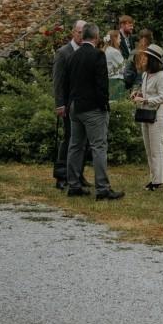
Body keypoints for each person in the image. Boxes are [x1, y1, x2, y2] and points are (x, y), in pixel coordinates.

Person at [65, 23, 123, 200]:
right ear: (96, 37)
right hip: (92, 108)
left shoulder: (73, 56)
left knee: (75, 146)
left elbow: (67, 83)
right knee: (99, 147)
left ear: (83, 36)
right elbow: (102, 85)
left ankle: (73, 185)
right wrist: (104, 105)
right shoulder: (98, 55)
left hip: (75, 106)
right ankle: (103, 188)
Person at [52, 20, 89, 190]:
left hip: (83, 104)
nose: (82, 35)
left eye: (85, 32)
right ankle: (61, 175)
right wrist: (60, 104)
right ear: (73, 32)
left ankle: (77, 174)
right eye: (79, 32)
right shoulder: (63, 52)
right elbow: (58, 82)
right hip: (68, 104)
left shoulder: (87, 51)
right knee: (68, 139)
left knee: (82, 142)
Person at [131, 45, 163, 191]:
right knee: (148, 149)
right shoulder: (146, 75)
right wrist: (137, 94)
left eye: (146, 57)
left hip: (158, 116)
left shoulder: (161, 76)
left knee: (156, 149)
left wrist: (146, 101)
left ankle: (158, 181)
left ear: (153, 60)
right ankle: (153, 179)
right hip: (145, 114)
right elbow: (145, 92)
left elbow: (162, 97)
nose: (143, 59)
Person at [104, 29, 126, 101]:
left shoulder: (106, 50)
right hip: (116, 81)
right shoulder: (114, 52)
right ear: (114, 39)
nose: (120, 40)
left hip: (108, 80)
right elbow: (123, 68)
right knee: (117, 103)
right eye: (119, 38)